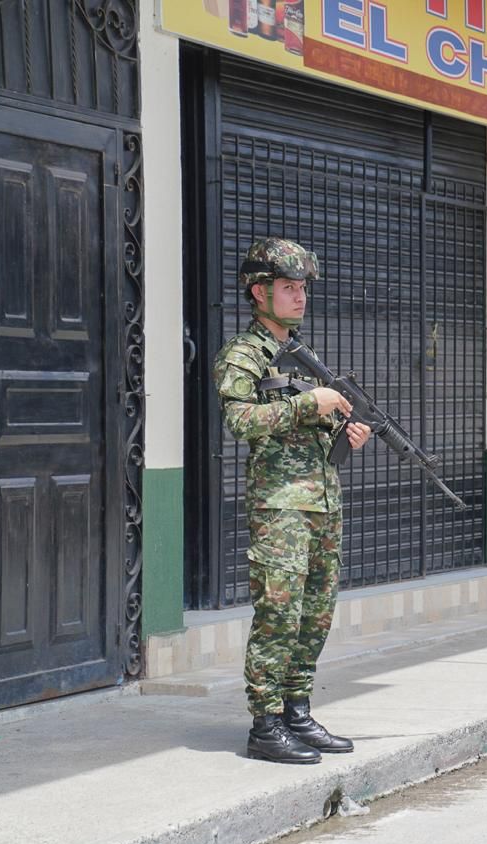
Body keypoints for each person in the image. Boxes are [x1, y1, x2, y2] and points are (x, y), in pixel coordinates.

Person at [212, 237, 372, 764]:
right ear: (260, 292)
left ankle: (297, 712)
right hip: (279, 505)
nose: (300, 297)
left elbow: (306, 432)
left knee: (316, 613)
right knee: (278, 613)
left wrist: (342, 432)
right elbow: (240, 421)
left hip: (321, 502)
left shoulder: (301, 352)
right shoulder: (244, 354)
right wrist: (311, 403)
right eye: (289, 287)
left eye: (303, 288)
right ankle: (264, 723)